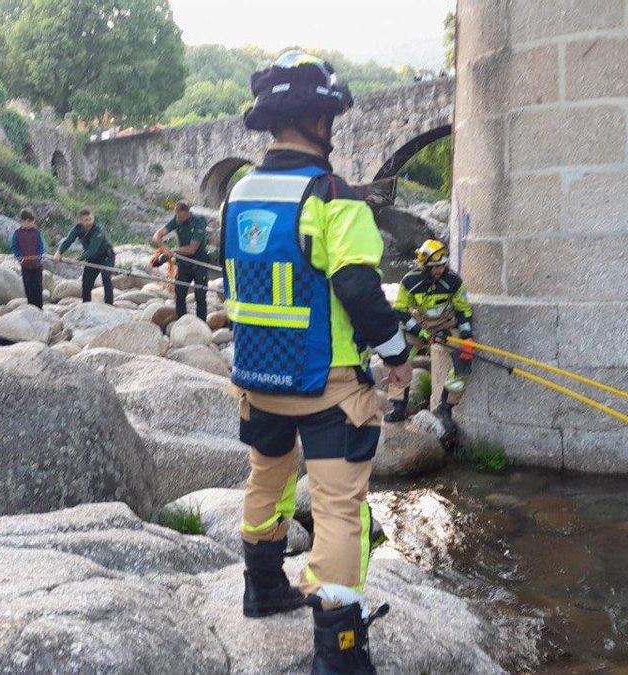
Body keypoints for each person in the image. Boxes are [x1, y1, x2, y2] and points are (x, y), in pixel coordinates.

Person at [225, 51, 413, 674]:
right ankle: (338, 651)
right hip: (328, 386)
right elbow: (359, 290)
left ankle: (261, 588)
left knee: (267, 482)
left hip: (258, 379)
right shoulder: (333, 195)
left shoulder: (238, 195)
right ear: (318, 119)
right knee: (337, 509)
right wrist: (397, 357)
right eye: (330, 115)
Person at [385, 239, 475, 424]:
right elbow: (401, 310)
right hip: (419, 327)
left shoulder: (454, 281)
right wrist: (420, 332)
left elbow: (463, 310)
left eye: (442, 265)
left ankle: (445, 408)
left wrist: (466, 336)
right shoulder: (410, 281)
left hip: (445, 327)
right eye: (434, 267)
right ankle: (399, 407)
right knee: (398, 358)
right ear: (424, 265)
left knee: (464, 362)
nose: (439, 270)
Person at [151, 202, 210, 320]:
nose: (179, 220)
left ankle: (202, 324)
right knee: (180, 295)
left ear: (188, 213)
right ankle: (181, 321)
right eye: (178, 217)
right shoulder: (176, 220)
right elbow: (157, 236)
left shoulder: (199, 222)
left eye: (182, 217)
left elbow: (192, 249)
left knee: (200, 296)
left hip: (199, 263)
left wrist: (172, 251)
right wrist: (164, 248)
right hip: (183, 263)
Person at [55, 208, 115, 304]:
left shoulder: (98, 230)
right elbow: (68, 240)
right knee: (86, 281)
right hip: (92, 259)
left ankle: (109, 304)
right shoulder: (77, 228)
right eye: (86, 220)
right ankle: (86, 304)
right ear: (80, 220)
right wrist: (59, 252)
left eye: (91, 219)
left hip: (106, 256)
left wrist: (78, 259)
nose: (89, 222)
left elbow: (92, 250)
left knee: (106, 277)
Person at [11, 208, 47, 308]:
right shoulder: (17, 234)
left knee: (38, 287)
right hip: (25, 265)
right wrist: (19, 257)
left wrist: (39, 256)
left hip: (37, 265)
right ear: (24, 221)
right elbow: (14, 247)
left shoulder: (36, 232)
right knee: (28, 287)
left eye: (33, 222)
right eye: (31, 222)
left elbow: (41, 246)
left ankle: (39, 307)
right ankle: (31, 306)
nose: (33, 224)